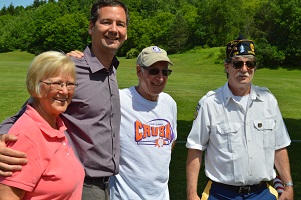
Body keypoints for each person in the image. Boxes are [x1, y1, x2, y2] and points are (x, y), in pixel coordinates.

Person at [0, 1, 129, 200]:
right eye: (106, 22)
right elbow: (26, 113)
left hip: (107, 184)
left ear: (126, 32)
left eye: (120, 24)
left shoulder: (111, 70)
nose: (114, 29)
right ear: (90, 27)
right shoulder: (72, 70)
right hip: (79, 184)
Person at [185, 35, 294, 200]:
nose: (244, 69)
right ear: (227, 67)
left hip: (261, 193)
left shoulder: (268, 101)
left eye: (250, 63)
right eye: (237, 63)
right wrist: (192, 193)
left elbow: (279, 147)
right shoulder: (210, 104)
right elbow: (195, 149)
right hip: (221, 194)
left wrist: (288, 185)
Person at [0, 51, 84, 199]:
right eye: (57, 83)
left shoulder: (56, 127)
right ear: (35, 88)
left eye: (70, 84)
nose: (64, 91)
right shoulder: (27, 136)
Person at [109, 46, 177, 199]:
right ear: (139, 71)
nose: (160, 78)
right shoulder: (119, 100)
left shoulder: (169, 103)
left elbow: (171, 143)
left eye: (165, 72)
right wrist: (77, 61)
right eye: (153, 71)